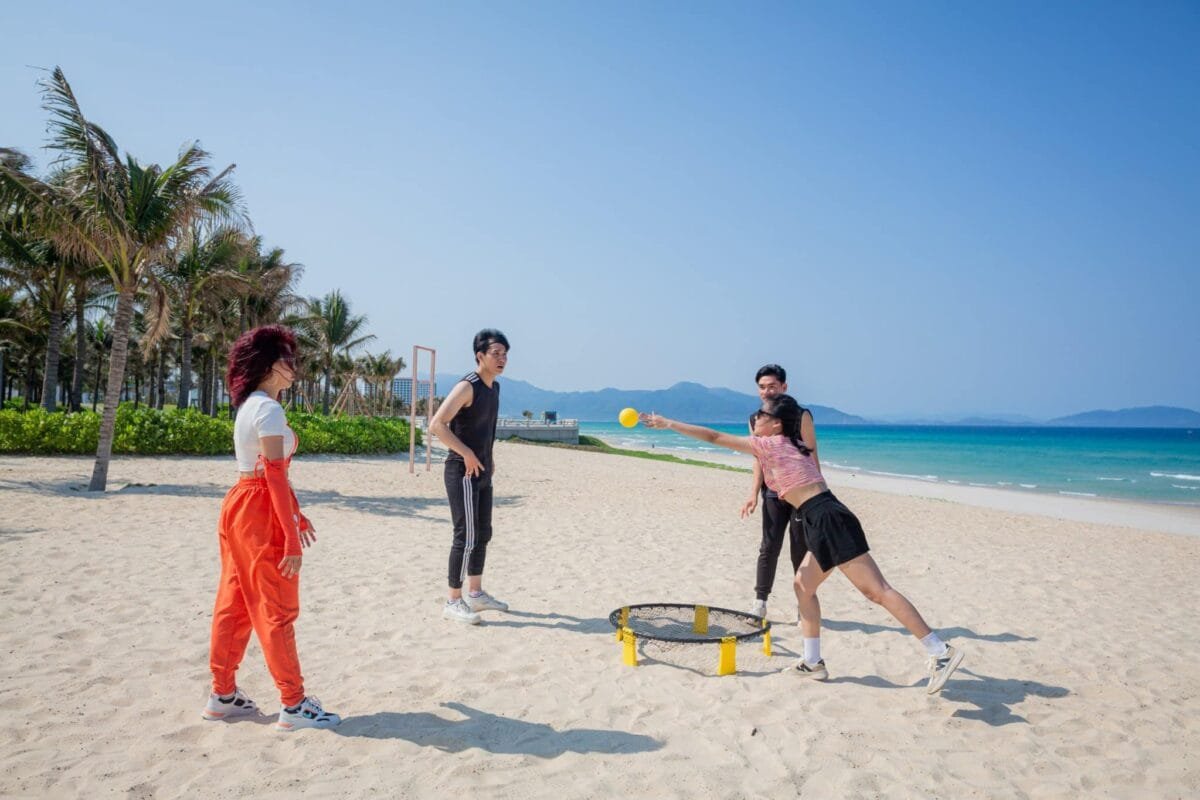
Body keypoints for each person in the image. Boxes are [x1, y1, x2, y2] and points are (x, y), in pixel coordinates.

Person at [641, 395, 964, 694]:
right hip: (818, 517)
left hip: (827, 517)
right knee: (802, 586)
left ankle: (941, 651)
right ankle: (812, 661)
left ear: (776, 425)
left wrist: (669, 423)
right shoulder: (786, 444)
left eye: (762, 415)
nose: (756, 419)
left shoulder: (772, 444)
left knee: (877, 591)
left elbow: (714, 437)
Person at [204, 325, 341, 731]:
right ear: (268, 364)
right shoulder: (269, 410)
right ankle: (293, 704)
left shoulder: (251, 406)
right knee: (276, 607)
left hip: (239, 503)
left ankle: (222, 694)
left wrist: (296, 514)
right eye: (288, 360)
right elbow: (275, 476)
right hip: (260, 509)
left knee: (234, 601)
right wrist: (291, 539)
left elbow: (264, 473)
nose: (294, 367)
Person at [430, 329, 511, 624]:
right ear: (480, 356)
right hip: (462, 470)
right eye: (496, 353)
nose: (502, 359)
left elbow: (486, 430)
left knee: (483, 532)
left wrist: (490, 458)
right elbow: (437, 425)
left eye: (505, 354)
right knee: (465, 535)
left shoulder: (495, 388)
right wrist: (466, 453)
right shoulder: (468, 386)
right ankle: (453, 600)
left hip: (483, 470)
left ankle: (475, 594)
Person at [739, 364, 809, 620]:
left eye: (772, 386)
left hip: (800, 493)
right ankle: (760, 603)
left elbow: (812, 455)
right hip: (772, 491)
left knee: (799, 549)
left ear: (784, 387)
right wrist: (753, 493)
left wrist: (818, 496)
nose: (767, 391)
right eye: (762, 387)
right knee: (768, 547)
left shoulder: (801, 416)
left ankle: (804, 604)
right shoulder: (755, 420)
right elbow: (758, 457)